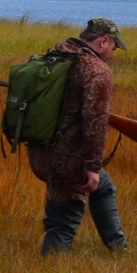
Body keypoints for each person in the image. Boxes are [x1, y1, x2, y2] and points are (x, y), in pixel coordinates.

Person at [27, 17, 129, 255]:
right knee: (63, 221)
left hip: (41, 151)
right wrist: (92, 167)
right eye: (114, 47)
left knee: (103, 187)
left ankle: (119, 252)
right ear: (104, 41)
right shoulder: (97, 71)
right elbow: (95, 125)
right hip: (69, 159)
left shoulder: (59, 56)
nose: (113, 54)